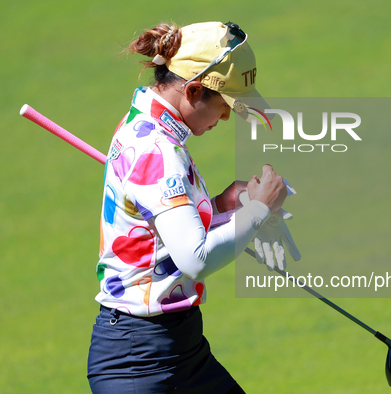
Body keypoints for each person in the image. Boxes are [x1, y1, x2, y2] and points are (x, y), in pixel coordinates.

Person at [87, 21, 296, 393]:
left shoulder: (155, 129)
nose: (229, 116)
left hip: (182, 349)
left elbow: (165, 235)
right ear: (195, 89)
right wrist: (257, 211)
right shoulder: (158, 148)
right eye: (225, 104)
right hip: (138, 363)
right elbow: (195, 258)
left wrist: (224, 206)